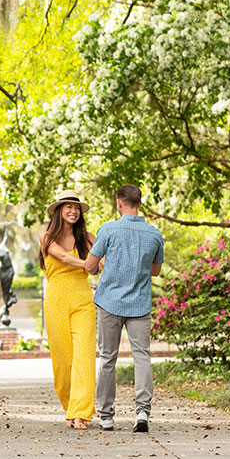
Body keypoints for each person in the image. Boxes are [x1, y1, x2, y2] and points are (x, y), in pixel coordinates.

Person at [85, 184, 164, 433]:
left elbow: (89, 266)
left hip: (109, 302)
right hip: (139, 303)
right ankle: (142, 413)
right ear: (139, 204)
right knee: (142, 356)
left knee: (108, 358)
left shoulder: (108, 230)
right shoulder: (154, 234)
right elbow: (155, 270)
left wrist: (107, 263)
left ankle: (106, 416)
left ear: (119, 203)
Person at [40, 190, 97, 430]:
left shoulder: (89, 238)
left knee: (84, 357)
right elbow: (62, 256)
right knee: (63, 363)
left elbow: (100, 266)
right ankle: (71, 406)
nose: (73, 211)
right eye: (68, 207)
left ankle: (80, 413)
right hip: (56, 303)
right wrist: (88, 263)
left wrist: (99, 264)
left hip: (83, 301)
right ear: (59, 211)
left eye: (76, 207)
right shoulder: (46, 238)